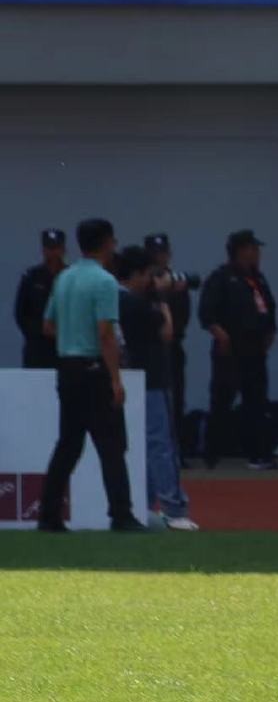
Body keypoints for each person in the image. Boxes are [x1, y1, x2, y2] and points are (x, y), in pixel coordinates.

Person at [37, 219, 143, 533]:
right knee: (111, 444)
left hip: (67, 368)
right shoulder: (104, 281)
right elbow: (105, 333)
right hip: (94, 369)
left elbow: (47, 326)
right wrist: (115, 378)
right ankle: (121, 514)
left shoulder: (64, 278)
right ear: (107, 242)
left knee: (68, 444)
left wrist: (71, 339)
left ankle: (49, 514)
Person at [115, 246, 198, 531]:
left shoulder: (113, 298)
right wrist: (162, 297)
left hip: (130, 380)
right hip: (151, 380)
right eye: (149, 275)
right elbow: (166, 332)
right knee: (162, 445)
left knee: (142, 445)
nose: (152, 280)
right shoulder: (136, 304)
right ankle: (174, 509)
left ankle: (145, 505)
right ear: (137, 274)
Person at [199, 229, 277, 470]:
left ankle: (258, 454)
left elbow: (269, 309)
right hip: (230, 352)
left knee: (256, 403)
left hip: (256, 352)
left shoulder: (258, 279)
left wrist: (270, 333)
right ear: (241, 251)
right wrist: (220, 335)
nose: (257, 254)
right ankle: (211, 454)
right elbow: (207, 314)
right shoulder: (221, 278)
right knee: (222, 402)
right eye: (253, 249)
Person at [144, 233, 198, 461]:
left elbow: (184, 314)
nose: (160, 258)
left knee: (175, 399)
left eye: (163, 253)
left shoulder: (177, 283)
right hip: (148, 348)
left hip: (173, 347)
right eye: (155, 254)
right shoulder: (142, 283)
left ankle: (177, 451)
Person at [14, 228, 68, 369]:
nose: (53, 252)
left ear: (63, 249)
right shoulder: (31, 276)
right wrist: (39, 331)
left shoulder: (71, 276)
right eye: (49, 248)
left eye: (56, 248)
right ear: (43, 250)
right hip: (37, 347)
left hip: (65, 346)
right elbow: (21, 313)